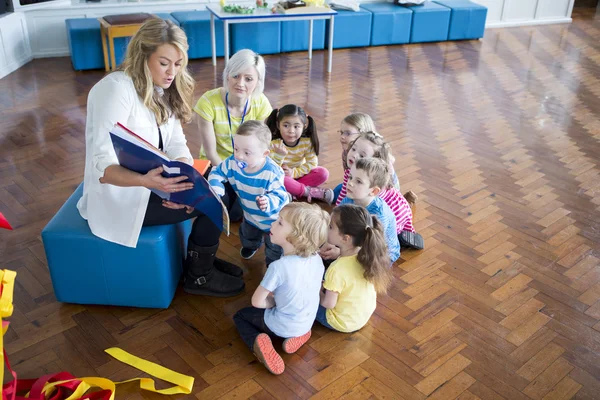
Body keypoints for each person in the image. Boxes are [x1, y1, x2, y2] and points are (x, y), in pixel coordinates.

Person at [77, 18, 244, 298]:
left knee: (218, 187)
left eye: (178, 64)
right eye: (164, 62)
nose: (172, 72)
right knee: (212, 202)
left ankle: (200, 259)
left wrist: (184, 179)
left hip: (155, 185)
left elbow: (177, 142)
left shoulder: (160, 90)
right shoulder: (115, 89)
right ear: (143, 55)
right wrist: (147, 182)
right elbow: (102, 166)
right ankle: (199, 276)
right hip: (123, 197)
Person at [233, 202, 329, 375]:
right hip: (306, 322)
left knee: (240, 316)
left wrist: (274, 301)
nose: (272, 224)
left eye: (280, 222)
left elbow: (257, 301)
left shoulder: (278, 267)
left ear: (296, 237)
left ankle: (258, 342)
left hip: (280, 325)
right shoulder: (316, 259)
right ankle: (299, 335)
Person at [194, 49, 272, 219]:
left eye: (249, 79)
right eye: (236, 75)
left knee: (244, 211)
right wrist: (233, 178)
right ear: (227, 75)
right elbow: (210, 152)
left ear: (258, 82)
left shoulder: (261, 104)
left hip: (247, 166)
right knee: (226, 208)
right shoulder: (208, 102)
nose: (240, 83)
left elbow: (258, 148)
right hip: (216, 166)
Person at [208, 120, 289, 267]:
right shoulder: (232, 162)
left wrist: (268, 201)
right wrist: (216, 187)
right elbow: (217, 171)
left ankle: (274, 264)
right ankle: (251, 245)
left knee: (274, 248)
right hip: (250, 215)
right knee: (247, 234)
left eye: (247, 152)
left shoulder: (272, 173)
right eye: (236, 149)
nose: (239, 156)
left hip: (273, 221)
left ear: (264, 154)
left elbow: (280, 195)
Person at [317, 204, 392, 332]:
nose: (326, 228)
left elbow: (328, 304)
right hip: (362, 316)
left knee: (304, 297)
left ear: (346, 238)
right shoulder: (367, 254)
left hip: (340, 322)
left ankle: (301, 330)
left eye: (330, 227)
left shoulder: (336, 269)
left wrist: (317, 290)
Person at [321, 158, 400, 264]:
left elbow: (370, 246)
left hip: (377, 252)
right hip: (353, 239)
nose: (350, 183)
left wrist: (340, 252)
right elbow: (334, 221)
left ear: (373, 191)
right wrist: (328, 242)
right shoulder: (349, 198)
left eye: (358, 181)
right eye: (350, 177)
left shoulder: (379, 215)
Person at [265, 104, 334, 204]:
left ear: (304, 126)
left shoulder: (307, 142)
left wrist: (294, 173)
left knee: (323, 173)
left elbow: (311, 164)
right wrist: (279, 155)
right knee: (283, 180)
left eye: (296, 126)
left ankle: (293, 191)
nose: (291, 131)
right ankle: (307, 191)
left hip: (299, 175)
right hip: (282, 178)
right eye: (286, 125)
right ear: (277, 124)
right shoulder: (273, 144)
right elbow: (271, 170)